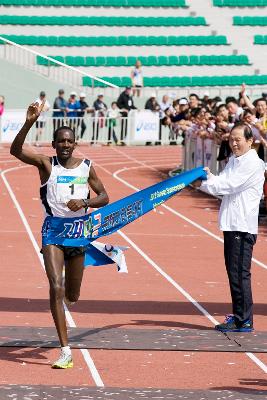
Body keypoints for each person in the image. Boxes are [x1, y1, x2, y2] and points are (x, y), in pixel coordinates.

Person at [10, 101, 109, 369]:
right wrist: (30, 121)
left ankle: (65, 298)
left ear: (75, 144)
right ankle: (65, 350)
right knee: (56, 287)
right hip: (53, 231)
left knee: (72, 295)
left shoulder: (86, 166)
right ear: (53, 144)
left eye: (69, 142)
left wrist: (85, 203)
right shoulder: (46, 164)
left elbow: (104, 196)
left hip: (78, 233)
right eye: (61, 141)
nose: (65, 145)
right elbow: (15, 151)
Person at [193, 123, 265, 332]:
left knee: (240, 273)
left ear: (250, 141)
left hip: (242, 226)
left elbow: (229, 185)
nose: (233, 143)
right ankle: (240, 316)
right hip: (232, 224)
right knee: (233, 273)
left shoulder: (253, 164)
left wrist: (205, 181)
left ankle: (245, 320)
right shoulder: (235, 160)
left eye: (238, 140)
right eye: (231, 139)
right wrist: (207, 176)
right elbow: (222, 180)